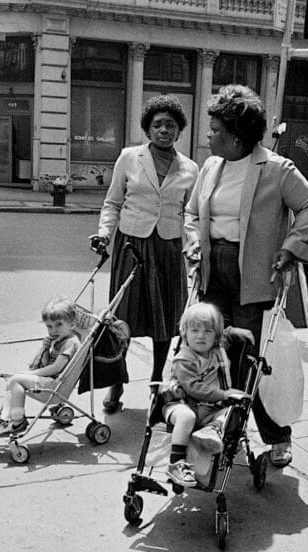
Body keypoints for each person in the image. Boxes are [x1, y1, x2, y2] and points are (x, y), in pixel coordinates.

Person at [184, 84, 308, 468]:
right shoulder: (212, 166)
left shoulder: (276, 169)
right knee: (213, 353)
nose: (208, 136)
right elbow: (192, 214)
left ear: (236, 136)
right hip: (213, 271)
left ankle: (277, 436)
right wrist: (193, 243)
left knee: (252, 359)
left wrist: (291, 247)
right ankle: (219, 429)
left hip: (255, 276)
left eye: (214, 130)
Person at [90, 94, 200, 413]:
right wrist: (103, 234)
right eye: (157, 124)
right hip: (132, 245)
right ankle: (116, 382)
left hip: (168, 248)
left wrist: (194, 248)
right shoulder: (128, 158)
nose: (163, 130)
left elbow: (191, 214)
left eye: (170, 125)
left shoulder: (191, 168)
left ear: (179, 131)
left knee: (165, 319)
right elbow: (112, 202)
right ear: (147, 129)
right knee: (122, 318)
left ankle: (156, 384)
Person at [161, 302, 251, 487]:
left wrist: (233, 332)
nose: (201, 336)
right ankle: (176, 463)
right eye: (195, 330)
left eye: (208, 331)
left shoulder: (215, 350)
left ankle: (210, 431)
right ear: (185, 333)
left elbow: (224, 335)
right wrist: (224, 394)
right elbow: (195, 388)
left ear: (215, 336)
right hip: (181, 404)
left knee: (234, 410)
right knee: (186, 417)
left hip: (210, 408)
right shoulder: (184, 359)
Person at [0, 296, 81, 437]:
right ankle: (3, 417)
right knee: (13, 381)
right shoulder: (59, 340)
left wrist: (30, 374)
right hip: (49, 383)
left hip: (56, 387)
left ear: (72, 325)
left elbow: (56, 368)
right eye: (49, 326)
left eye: (59, 325)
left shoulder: (70, 343)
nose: (53, 330)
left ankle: (18, 421)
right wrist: (45, 348)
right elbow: (44, 362)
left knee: (16, 381)